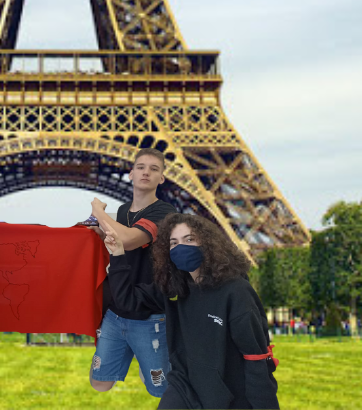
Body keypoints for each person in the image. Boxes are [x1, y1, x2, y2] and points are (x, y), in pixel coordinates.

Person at [104, 213, 278, 409]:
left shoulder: (236, 292)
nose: (181, 247)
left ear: (208, 243)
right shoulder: (174, 288)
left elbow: (256, 359)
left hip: (228, 398)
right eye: (174, 243)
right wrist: (118, 255)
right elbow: (127, 301)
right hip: (183, 388)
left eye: (189, 239)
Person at [86, 150, 176, 397]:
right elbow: (118, 242)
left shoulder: (165, 212)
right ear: (131, 174)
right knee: (99, 383)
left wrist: (98, 210)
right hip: (117, 311)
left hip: (148, 315)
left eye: (154, 169)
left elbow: (128, 240)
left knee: (160, 390)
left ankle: (145, 357)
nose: (146, 172)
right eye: (141, 167)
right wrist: (101, 233)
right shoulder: (125, 210)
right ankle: (138, 353)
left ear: (162, 178)